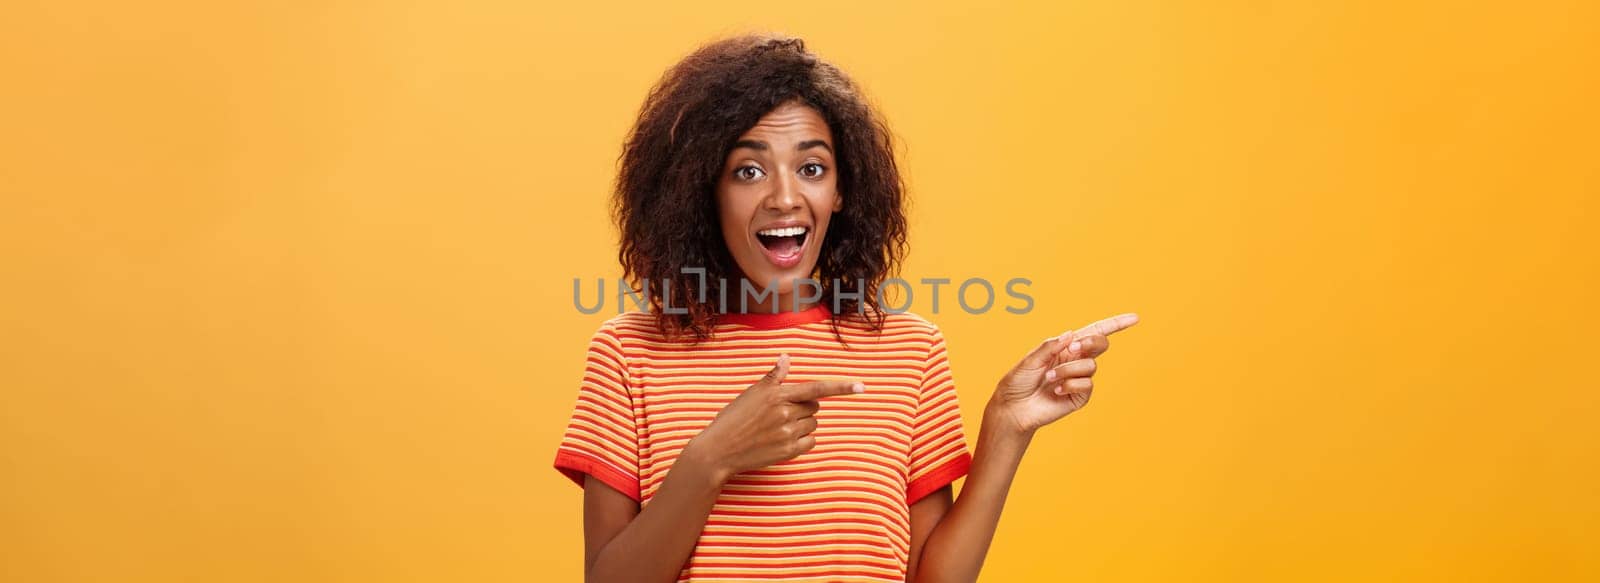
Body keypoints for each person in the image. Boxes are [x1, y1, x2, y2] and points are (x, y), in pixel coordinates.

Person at [553, 34, 1139, 582]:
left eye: (811, 168)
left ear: (840, 190)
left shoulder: (909, 350)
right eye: (748, 170)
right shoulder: (629, 352)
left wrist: (1005, 429)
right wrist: (712, 459)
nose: (784, 197)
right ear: (703, 189)